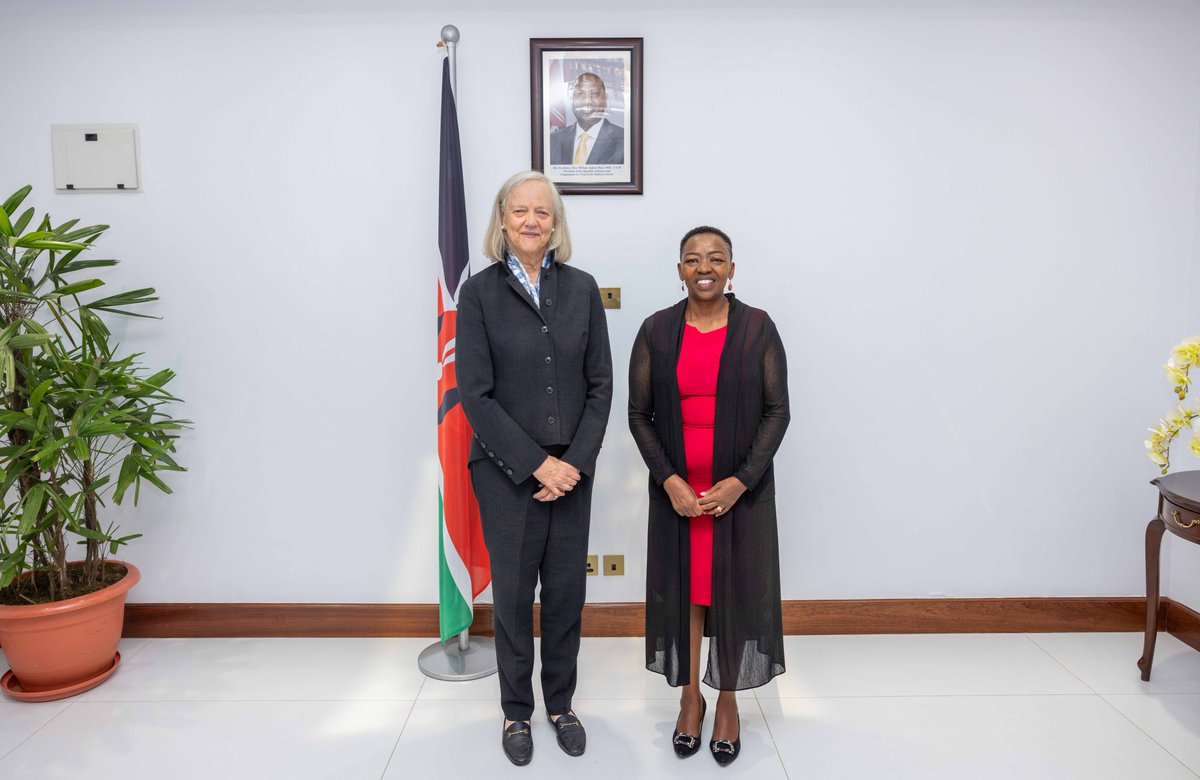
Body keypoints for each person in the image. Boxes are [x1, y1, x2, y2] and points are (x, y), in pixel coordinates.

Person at [457, 170, 614, 767]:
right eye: (519, 210)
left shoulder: (582, 288)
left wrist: (570, 465)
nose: (530, 221)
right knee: (515, 598)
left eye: (542, 213)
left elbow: (600, 387)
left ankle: (561, 705)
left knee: (567, 597)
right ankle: (516, 712)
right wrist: (536, 466)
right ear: (501, 220)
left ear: (555, 224)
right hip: (506, 474)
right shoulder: (479, 294)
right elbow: (476, 395)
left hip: (573, 472)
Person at [628, 226, 790, 766]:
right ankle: (689, 700)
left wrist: (741, 480)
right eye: (693, 259)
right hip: (678, 497)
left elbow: (777, 411)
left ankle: (726, 703)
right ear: (679, 271)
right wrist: (671, 481)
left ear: (731, 269)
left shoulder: (757, 329)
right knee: (686, 597)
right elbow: (638, 414)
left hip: (738, 495)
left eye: (716, 259)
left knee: (731, 595)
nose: (705, 267)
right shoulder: (655, 331)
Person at [549, 72, 625, 166]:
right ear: (571, 100)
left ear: (605, 99)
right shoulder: (552, 141)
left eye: (595, 94)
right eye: (580, 94)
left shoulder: (624, 141)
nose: (587, 101)